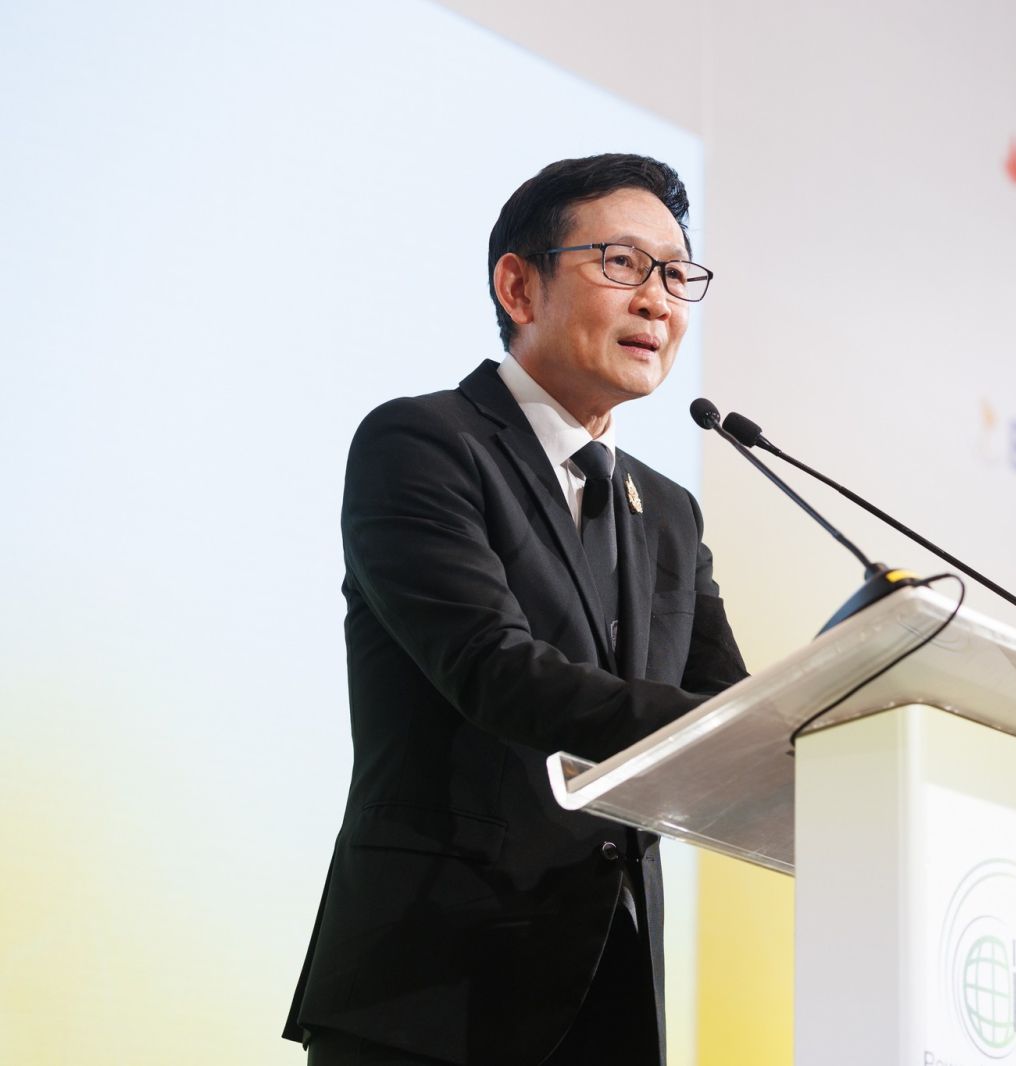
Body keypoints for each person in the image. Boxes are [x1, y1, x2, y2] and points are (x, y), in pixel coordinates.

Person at [282, 154, 746, 1065]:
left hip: (611, 995)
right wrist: (731, 730)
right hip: (433, 987)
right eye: (624, 263)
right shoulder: (423, 444)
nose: (658, 301)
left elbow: (724, 701)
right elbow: (495, 671)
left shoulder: (669, 512)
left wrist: (814, 732)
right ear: (518, 286)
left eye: (676, 274)